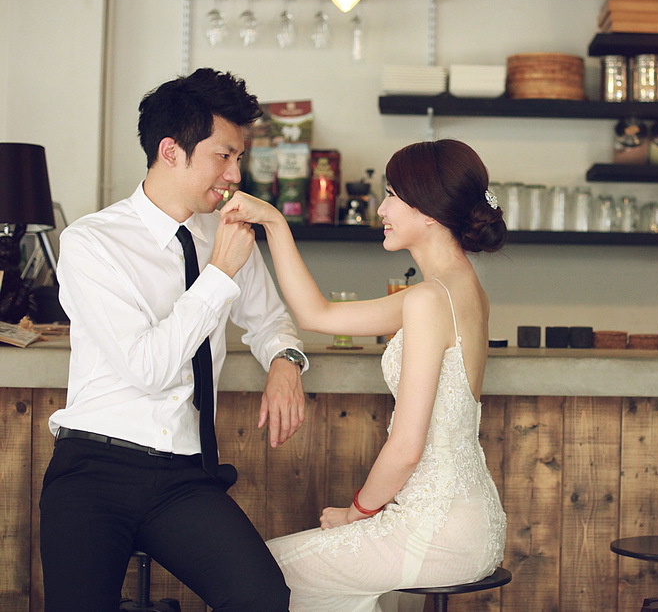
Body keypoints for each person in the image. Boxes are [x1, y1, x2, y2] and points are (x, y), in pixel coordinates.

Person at [40, 68, 307, 611]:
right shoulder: (92, 243)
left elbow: (271, 320)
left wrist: (285, 360)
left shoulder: (226, 234)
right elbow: (147, 369)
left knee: (261, 598)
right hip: (94, 468)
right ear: (171, 151)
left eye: (239, 157)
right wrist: (219, 274)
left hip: (185, 476)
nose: (235, 174)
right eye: (223, 155)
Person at [220, 138, 508, 611]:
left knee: (249, 576)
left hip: (435, 532)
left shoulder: (428, 300)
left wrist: (356, 512)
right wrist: (274, 221)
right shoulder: (459, 289)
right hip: (469, 522)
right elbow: (317, 314)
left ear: (429, 210)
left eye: (392, 195)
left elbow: (407, 447)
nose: (381, 209)